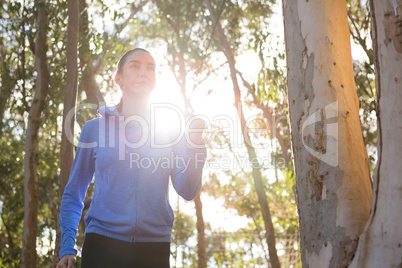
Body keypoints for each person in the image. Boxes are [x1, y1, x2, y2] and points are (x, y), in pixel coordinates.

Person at [56, 48, 207, 268]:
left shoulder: (170, 131)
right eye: (135, 66)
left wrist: (195, 148)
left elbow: (188, 190)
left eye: (150, 68)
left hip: (154, 249)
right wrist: (67, 246)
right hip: (102, 245)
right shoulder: (94, 130)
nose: (143, 72)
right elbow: (74, 192)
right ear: (119, 79)